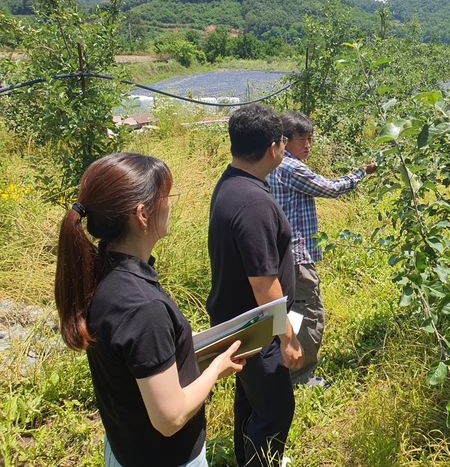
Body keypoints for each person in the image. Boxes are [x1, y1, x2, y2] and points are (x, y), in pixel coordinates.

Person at [54, 152, 245, 467]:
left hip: (125, 447)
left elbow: (135, 354)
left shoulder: (101, 272)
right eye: (167, 196)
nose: (170, 204)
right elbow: (170, 418)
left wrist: (184, 345)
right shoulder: (142, 307)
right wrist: (218, 368)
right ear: (142, 214)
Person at [206, 103, 304, 467]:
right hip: (257, 328)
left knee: (251, 403)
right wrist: (288, 340)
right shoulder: (253, 203)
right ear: (273, 149)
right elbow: (265, 285)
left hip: (239, 324)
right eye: (282, 142)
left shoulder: (232, 184)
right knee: (276, 412)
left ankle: (247, 459)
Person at [267, 111, 377, 387]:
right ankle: (301, 376)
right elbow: (330, 188)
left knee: (287, 313)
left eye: (311, 139)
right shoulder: (292, 168)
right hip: (297, 256)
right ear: (284, 140)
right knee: (309, 312)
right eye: (302, 139)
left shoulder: (269, 165)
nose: (308, 145)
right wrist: (361, 173)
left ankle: (282, 368)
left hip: (279, 256)